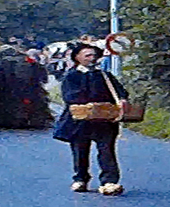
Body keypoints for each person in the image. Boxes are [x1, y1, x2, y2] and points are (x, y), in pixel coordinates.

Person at [53, 43, 129, 195]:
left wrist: (122, 99)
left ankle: (109, 181)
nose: (92, 58)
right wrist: (89, 103)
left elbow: (120, 91)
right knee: (80, 151)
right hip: (80, 120)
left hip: (104, 120)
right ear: (77, 57)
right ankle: (80, 179)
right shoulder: (71, 76)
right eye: (87, 55)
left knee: (107, 150)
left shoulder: (104, 75)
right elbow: (70, 97)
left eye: (94, 55)